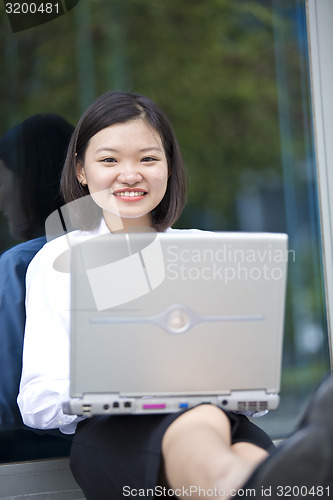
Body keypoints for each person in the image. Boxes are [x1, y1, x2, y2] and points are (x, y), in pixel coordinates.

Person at [17, 91, 333, 498]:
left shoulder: (202, 249)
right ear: (81, 170)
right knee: (213, 440)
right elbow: (36, 400)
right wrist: (117, 387)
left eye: (148, 159)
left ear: (168, 167)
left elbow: (249, 394)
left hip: (217, 418)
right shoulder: (61, 258)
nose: (130, 174)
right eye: (109, 160)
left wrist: (241, 386)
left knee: (229, 436)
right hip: (116, 432)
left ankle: (258, 477)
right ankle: (256, 478)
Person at [0, 114, 74, 461]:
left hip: (37, 452)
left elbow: (8, 404)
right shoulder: (122, 255)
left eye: (2, 179)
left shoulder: (20, 264)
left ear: (29, 182)